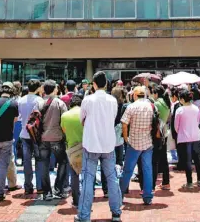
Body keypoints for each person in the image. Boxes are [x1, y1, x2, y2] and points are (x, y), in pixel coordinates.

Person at [76, 71, 122, 222]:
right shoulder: (112, 100)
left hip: (91, 144)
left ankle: (84, 216)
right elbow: (113, 118)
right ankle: (116, 212)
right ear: (107, 84)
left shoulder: (88, 100)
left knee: (88, 179)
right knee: (112, 178)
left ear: (94, 84)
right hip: (108, 143)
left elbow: (81, 119)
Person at [120, 86, 154, 205]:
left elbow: (124, 123)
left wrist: (126, 138)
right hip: (147, 142)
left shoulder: (131, 107)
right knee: (147, 170)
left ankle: (120, 194)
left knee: (128, 170)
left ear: (134, 95)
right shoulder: (150, 106)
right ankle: (148, 196)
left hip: (134, 142)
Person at [36, 80, 69, 200]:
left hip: (43, 139)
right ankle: (58, 189)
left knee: (43, 164)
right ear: (55, 89)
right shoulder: (60, 104)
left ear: (44, 90)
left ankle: (46, 192)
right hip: (57, 138)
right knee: (63, 161)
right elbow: (65, 122)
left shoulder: (39, 103)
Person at [18, 79, 44, 195]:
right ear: (38, 88)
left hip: (24, 133)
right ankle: (40, 186)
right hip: (37, 135)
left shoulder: (21, 100)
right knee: (39, 160)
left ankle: (28, 186)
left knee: (27, 161)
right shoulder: (39, 100)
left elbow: (18, 117)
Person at [175, 89, 200, 189]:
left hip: (184, 138)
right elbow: (197, 122)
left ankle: (189, 182)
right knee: (197, 160)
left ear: (182, 99)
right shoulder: (196, 108)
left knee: (187, 161)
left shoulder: (180, 110)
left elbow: (176, 126)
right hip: (196, 136)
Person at [60, 94, 84, 208]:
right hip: (86, 147)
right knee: (88, 175)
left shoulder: (65, 115)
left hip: (71, 148)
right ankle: (87, 199)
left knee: (74, 175)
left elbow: (64, 131)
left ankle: (76, 200)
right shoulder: (85, 113)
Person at [152, 85, 171, 190]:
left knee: (154, 160)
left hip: (157, 133)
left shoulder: (157, 104)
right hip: (165, 132)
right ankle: (166, 182)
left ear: (156, 93)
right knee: (164, 158)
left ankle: (152, 184)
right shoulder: (167, 103)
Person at [170, 88, 182, 168]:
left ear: (174, 96)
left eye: (171, 96)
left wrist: (175, 131)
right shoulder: (177, 105)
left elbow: (175, 119)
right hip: (178, 130)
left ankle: (180, 163)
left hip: (177, 130)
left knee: (179, 148)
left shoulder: (177, 105)